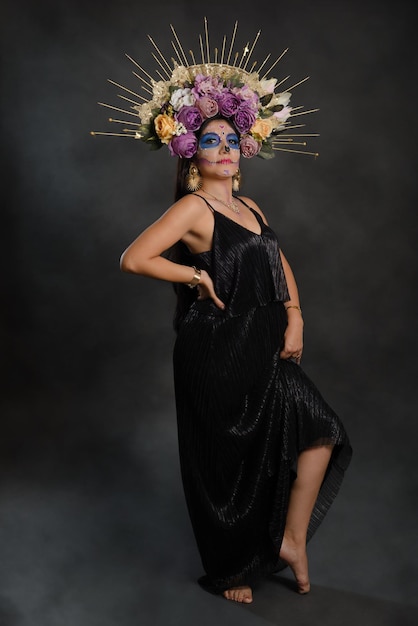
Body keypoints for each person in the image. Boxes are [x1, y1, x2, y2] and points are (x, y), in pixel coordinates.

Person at [96, 22, 352, 603]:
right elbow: (133, 258)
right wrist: (194, 275)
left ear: (243, 153)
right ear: (191, 153)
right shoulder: (192, 208)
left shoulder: (250, 203)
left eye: (231, 141)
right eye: (211, 141)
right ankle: (232, 567)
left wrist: (296, 313)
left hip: (263, 341)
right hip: (214, 347)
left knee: (321, 432)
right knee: (224, 460)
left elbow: (280, 262)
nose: (224, 148)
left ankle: (290, 539)